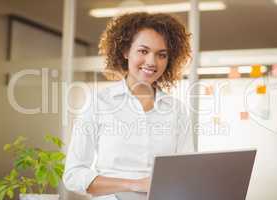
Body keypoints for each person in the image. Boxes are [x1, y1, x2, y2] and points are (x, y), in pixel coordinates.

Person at [63, 12, 193, 200]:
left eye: (161, 55)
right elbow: (73, 175)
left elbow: (186, 172)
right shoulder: (99, 103)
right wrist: (133, 184)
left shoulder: (176, 110)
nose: (151, 62)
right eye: (143, 51)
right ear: (125, 51)